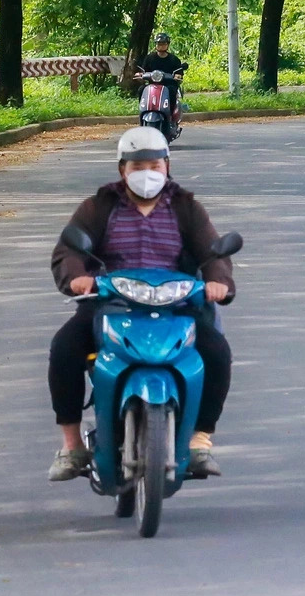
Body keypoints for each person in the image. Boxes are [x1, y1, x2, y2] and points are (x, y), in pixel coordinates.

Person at [47, 126, 234, 482]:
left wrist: (217, 282)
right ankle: (72, 446)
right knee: (65, 348)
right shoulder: (98, 206)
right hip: (109, 303)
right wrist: (77, 277)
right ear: (122, 170)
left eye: (154, 165)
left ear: (167, 165)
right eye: (137, 166)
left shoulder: (186, 207)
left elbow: (213, 252)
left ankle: (200, 441)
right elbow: (69, 250)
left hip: (176, 306)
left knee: (216, 352)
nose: (146, 173)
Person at [139, 32, 188, 120]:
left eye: (163, 44)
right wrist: (140, 74)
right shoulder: (150, 58)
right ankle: (143, 111)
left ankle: (171, 114)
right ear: (156, 45)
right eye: (159, 44)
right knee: (141, 89)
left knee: (172, 91)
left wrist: (177, 76)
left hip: (168, 84)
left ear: (167, 45)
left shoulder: (174, 59)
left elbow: (179, 72)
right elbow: (143, 70)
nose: (161, 46)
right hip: (152, 84)